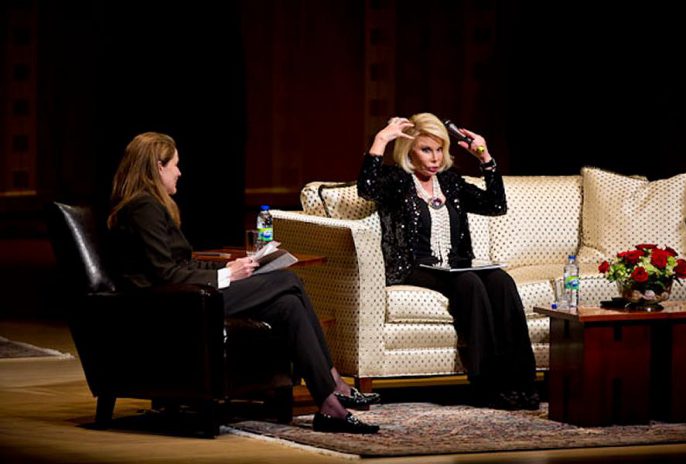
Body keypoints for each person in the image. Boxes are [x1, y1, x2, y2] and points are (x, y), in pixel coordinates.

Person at [107, 132, 380, 433]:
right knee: (288, 280)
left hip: (187, 296)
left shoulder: (150, 205)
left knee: (288, 303)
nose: (180, 172)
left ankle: (329, 405)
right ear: (158, 167)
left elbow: (180, 263)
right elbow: (165, 274)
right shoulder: (142, 207)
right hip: (173, 304)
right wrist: (226, 276)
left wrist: (230, 266)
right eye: (175, 165)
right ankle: (334, 384)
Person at [357, 113, 539, 410]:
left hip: (454, 262)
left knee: (501, 281)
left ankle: (522, 384)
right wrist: (380, 140)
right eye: (426, 150)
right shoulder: (397, 181)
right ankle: (487, 385)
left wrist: (485, 158)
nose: (435, 157)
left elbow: (495, 206)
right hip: (414, 265)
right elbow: (366, 188)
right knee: (468, 284)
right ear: (409, 151)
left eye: (440, 149)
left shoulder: (450, 183)